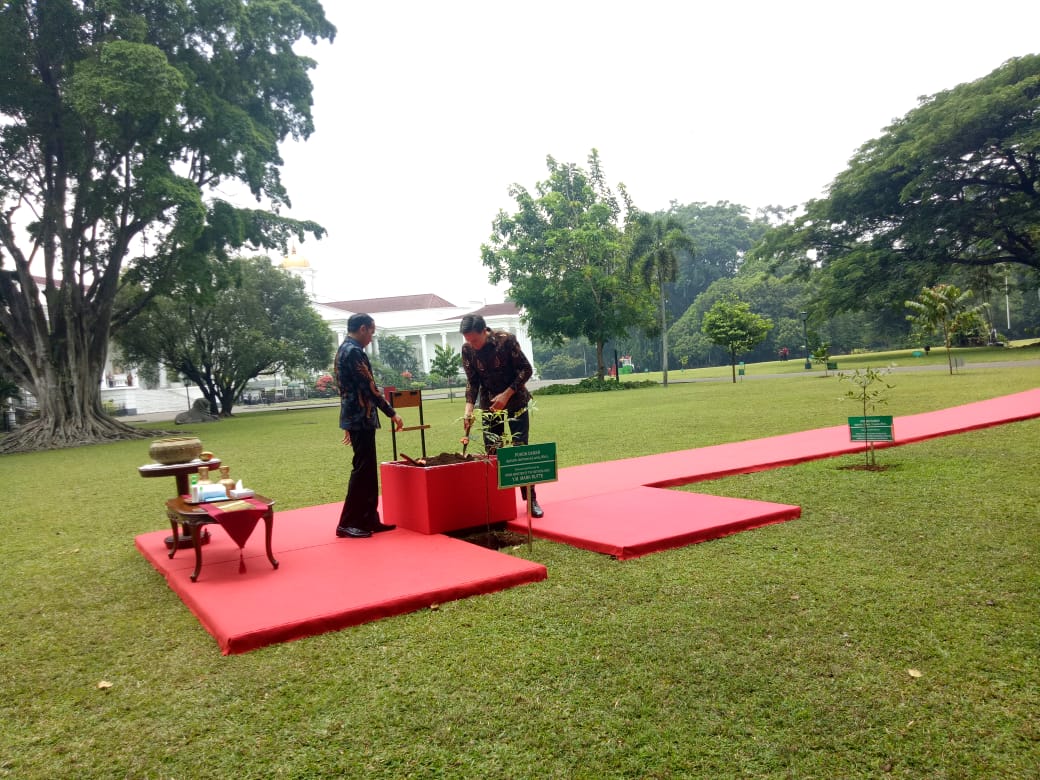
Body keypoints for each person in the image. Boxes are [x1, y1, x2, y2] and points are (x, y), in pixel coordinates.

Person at [459, 314, 543, 518]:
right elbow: (472, 381)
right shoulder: (468, 349)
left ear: (484, 331)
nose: (472, 344)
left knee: (519, 448)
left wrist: (506, 394)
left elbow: (526, 370)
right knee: (493, 451)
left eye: (475, 340)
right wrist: (468, 410)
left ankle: (531, 499)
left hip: (515, 401)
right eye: (468, 340)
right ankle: (498, 502)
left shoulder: (506, 341)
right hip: (489, 405)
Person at [335, 313, 404, 538]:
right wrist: (391, 412)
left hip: (356, 416)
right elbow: (369, 388)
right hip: (360, 417)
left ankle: (368, 518)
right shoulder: (354, 352)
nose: (371, 338)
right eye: (372, 332)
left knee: (366, 470)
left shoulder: (344, 349)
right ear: (363, 329)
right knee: (362, 470)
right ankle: (348, 522)